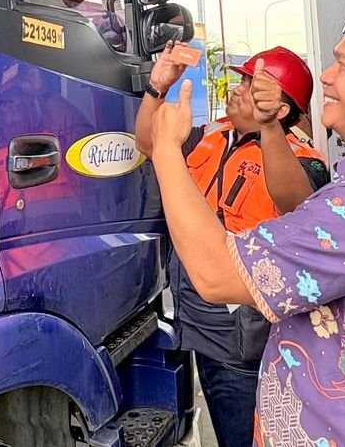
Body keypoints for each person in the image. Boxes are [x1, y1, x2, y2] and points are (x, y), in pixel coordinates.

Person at [147, 9, 345, 447]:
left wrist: (167, 150)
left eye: (344, 65)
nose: (328, 76)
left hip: (242, 331)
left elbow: (217, 273)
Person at [135, 44, 330, 447]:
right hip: (199, 320)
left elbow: (296, 203)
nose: (238, 90)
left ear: (282, 105)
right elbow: (149, 144)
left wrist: (270, 128)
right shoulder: (213, 135)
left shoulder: (303, 159)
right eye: (241, 80)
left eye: (251, 84)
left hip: (241, 339)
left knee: (243, 433)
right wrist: (157, 89)